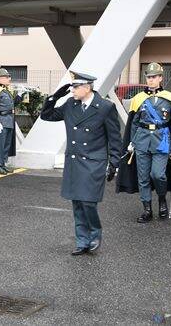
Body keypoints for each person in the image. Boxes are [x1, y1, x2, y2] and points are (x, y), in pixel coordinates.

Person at [40, 71, 121, 255]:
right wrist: (54, 97)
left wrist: (114, 163)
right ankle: (82, 241)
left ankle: (94, 233)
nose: (72, 91)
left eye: (76, 87)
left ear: (87, 87)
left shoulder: (105, 107)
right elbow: (47, 115)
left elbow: (115, 138)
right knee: (77, 203)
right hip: (75, 161)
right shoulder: (70, 104)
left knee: (88, 202)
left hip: (93, 161)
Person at [116, 62, 171, 222]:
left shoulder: (170, 98)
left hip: (162, 141)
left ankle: (161, 199)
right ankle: (147, 210)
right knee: (143, 177)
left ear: (160, 78)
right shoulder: (139, 99)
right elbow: (134, 122)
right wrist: (131, 142)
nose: (150, 80)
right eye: (148, 77)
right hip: (142, 140)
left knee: (157, 174)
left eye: (154, 77)